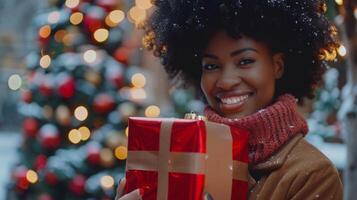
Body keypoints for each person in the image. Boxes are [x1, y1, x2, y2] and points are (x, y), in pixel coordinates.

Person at [116, 0, 343, 199]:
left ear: (278, 65)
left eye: (245, 61)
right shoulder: (180, 159)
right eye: (212, 66)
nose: (226, 81)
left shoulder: (311, 175)